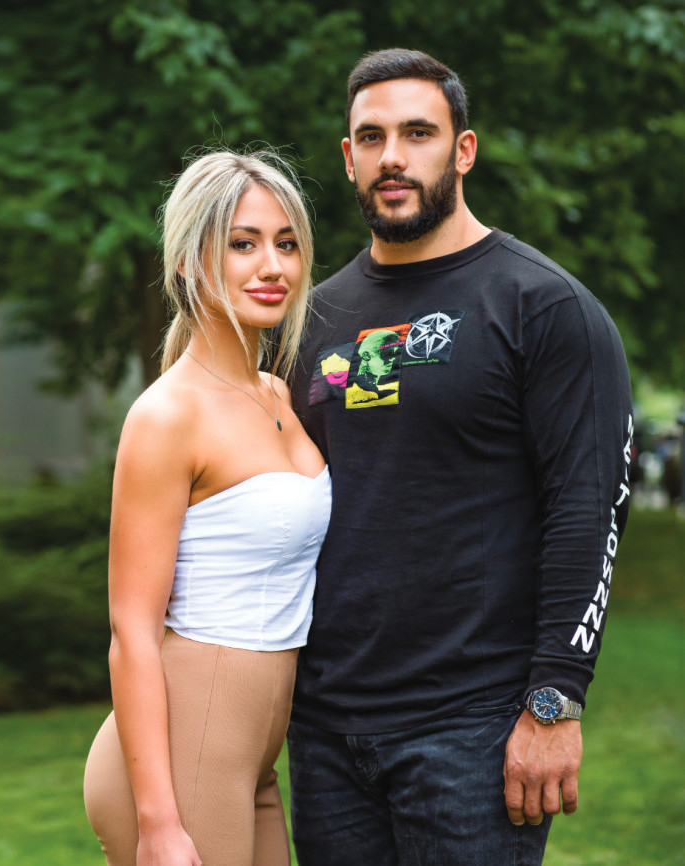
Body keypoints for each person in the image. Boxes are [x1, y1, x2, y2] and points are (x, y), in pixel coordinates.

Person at [286, 49, 634, 866]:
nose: (393, 157)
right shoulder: (313, 321)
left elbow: (588, 511)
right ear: (348, 158)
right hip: (327, 732)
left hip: (473, 730)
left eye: (418, 133)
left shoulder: (544, 307)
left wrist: (555, 702)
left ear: (463, 149)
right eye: (371, 138)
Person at [83, 150, 331, 866]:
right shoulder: (168, 416)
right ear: (191, 262)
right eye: (243, 244)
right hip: (184, 757)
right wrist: (159, 822)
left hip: (253, 754)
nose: (272, 266)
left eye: (286, 244)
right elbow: (132, 629)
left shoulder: (278, 394)